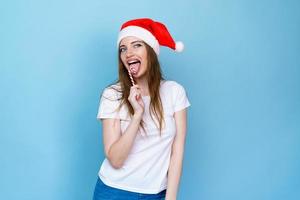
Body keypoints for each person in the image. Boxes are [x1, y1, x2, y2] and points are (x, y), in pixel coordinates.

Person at [93, 18, 191, 200]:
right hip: (113, 191)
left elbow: (177, 150)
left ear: (151, 51)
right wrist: (137, 114)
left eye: (136, 45)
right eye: (123, 48)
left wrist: (171, 198)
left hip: (156, 194)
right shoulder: (112, 95)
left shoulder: (174, 92)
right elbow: (115, 159)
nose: (128, 53)